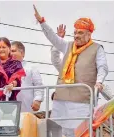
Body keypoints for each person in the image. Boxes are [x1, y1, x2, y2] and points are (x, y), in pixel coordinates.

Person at [33, 5, 108, 137]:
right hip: (60, 99)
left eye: (80, 33)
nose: (76, 36)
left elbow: (103, 67)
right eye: (75, 32)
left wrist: (99, 82)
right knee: (58, 131)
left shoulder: (97, 48)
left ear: (89, 34)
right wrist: (42, 22)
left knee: (79, 133)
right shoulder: (67, 45)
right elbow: (53, 38)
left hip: (82, 101)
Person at [11, 41, 44, 112]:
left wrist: (37, 100)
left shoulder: (31, 68)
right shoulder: (5, 69)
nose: (11, 53)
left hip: (27, 108)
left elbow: (38, 85)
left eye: (13, 51)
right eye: (10, 51)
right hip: (8, 109)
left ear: (22, 53)